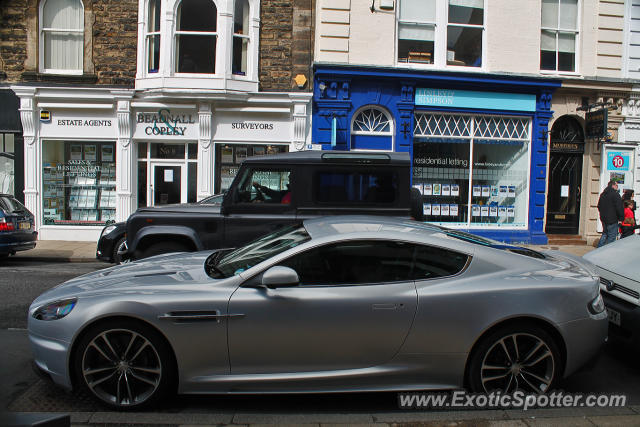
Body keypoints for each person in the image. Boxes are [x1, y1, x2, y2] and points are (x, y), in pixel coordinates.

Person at [596, 180, 624, 247]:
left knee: (605, 234)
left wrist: (602, 214)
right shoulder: (615, 194)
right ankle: (606, 252)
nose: (617, 187)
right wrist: (621, 218)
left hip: (604, 218)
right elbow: (619, 207)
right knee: (611, 237)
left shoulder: (603, 194)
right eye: (617, 185)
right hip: (612, 219)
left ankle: (598, 250)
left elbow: (599, 206)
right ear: (613, 185)